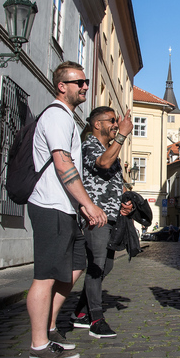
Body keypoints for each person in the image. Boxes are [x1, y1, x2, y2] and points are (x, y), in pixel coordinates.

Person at [26, 60, 107, 358]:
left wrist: (78, 207)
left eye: (86, 82)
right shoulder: (57, 116)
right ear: (62, 86)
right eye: (79, 82)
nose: (85, 86)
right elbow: (63, 164)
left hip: (65, 208)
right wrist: (88, 204)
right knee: (46, 275)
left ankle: (48, 327)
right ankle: (38, 346)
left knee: (73, 266)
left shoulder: (68, 119)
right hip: (49, 204)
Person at [69, 106, 134, 338]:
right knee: (96, 265)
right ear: (97, 124)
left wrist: (124, 202)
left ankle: (79, 313)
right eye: (112, 121)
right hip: (94, 217)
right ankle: (96, 319)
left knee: (107, 265)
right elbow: (103, 164)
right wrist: (123, 135)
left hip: (111, 216)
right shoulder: (89, 145)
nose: (115, 124)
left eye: (117, 122)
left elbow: (112, 180)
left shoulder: (107, 148)